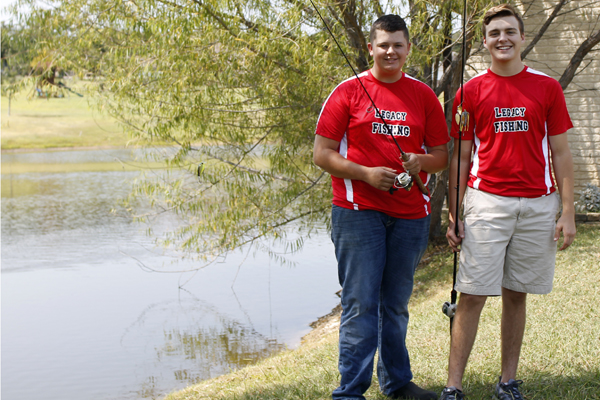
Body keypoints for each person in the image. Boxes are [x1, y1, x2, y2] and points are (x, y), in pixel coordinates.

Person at [440, 4, 576, 400]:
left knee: (517, 293)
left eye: (509, 32)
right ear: (484, 42)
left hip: (538, 204)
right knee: (473, 294)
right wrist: (454, 212)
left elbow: (562, 154)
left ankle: (507, 381)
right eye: (494, 33)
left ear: (522, 36)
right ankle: (453, 386)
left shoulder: (547, 88)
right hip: (487, 203)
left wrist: (567, 212)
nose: (502, 39)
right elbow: (461, 158)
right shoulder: (469, 93)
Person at [313, 14, 449, 400]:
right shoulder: (347, 91)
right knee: (359, 304)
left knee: (396, 305)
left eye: (398, 44)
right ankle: (350, 391)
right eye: (383, 44)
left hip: (410, 216)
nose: (391, 51)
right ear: (371, 48)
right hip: (358, 213)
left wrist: (419, 162)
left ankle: (397, 382)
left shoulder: (422, 96)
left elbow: (441, 155)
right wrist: (365, 174)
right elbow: (321, 154)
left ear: (408, 49)